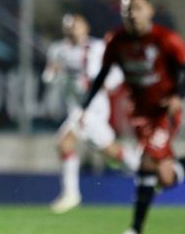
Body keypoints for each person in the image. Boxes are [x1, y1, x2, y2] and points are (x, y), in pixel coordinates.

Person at [82, 0, 185, 234]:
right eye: (127, 9)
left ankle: (135, 232)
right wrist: (85, 107)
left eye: (137, 8)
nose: (132, 13)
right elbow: (102, 75)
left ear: (150, 10)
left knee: (146, 162)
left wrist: (179, 96)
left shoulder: (165, 39)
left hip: (165, 112)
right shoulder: (116, 41)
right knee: (166, 177)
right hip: (140, 116)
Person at [42, 13, 140, 214]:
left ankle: (71, 194)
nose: (72, 30)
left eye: (76, 25)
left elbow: (117, 73)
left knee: (65, 143)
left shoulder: (97, 48)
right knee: (110, 152)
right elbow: (49, 78)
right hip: (76, 108)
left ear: (85, 27)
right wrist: (54, 72)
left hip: (94, 107)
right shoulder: (57, 50)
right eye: (69, 26)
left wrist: (104, 84)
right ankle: (142, 165)